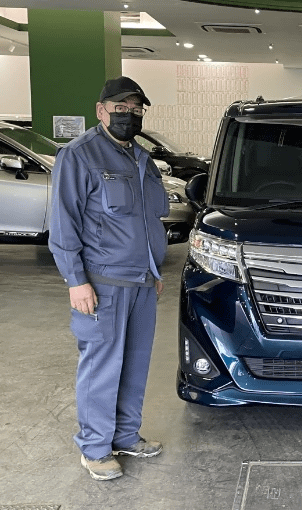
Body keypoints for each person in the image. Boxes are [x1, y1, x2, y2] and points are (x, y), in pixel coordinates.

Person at [49, 76, 169, 481]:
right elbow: (63, 225)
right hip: (101, 283)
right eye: (120, 108)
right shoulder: (79, 155)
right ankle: (96, 447)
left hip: (142, 282)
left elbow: (148, 219)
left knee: (135, 364)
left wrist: (153, 270)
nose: (128, 115)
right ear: (101, 110)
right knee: (101, 367)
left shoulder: (141, 158)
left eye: (135, 110)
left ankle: (125, 435)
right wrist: (75, 281)